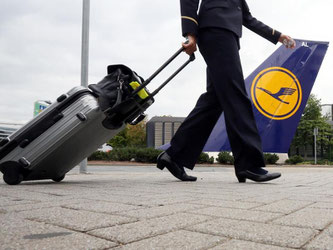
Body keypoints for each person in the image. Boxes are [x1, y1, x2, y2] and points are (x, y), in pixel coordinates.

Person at [156, 0, 296, 182]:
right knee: (236, 96)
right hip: (215, 31)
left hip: (226, 35)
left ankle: (174, 155)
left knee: (214, 100)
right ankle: (249, 164)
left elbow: (247, 17)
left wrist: (277, 36)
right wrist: (190, 33)